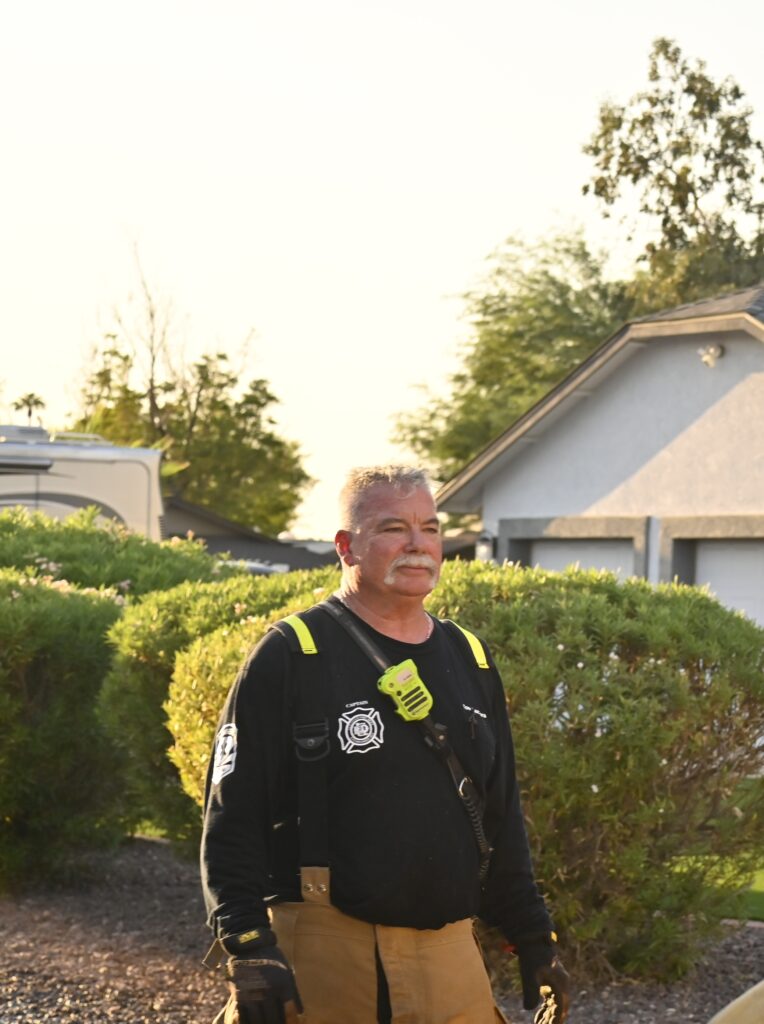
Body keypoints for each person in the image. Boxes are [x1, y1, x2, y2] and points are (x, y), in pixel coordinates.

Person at [201, 465, 570, 1024]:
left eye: (431, 528)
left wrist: (534, 936)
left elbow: (501, 816)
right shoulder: (292, 654)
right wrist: (247, 942)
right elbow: (233, 815)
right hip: (326, 958)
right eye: (394, 528)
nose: (418, 544)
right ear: (346, 546)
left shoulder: (470, 657)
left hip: (451, 959)